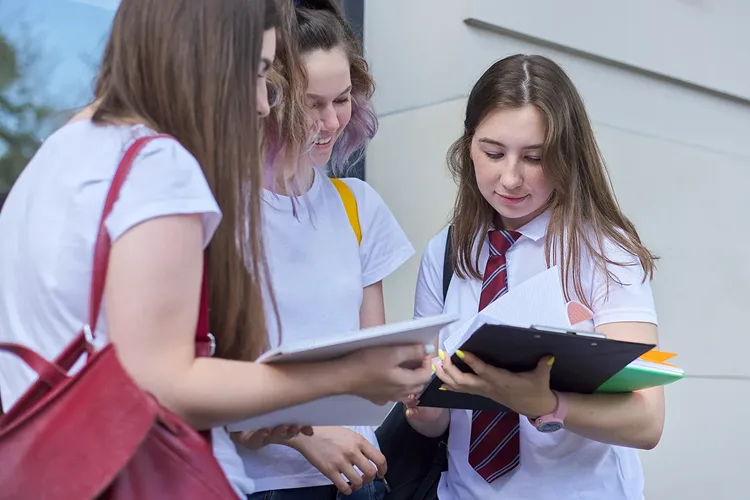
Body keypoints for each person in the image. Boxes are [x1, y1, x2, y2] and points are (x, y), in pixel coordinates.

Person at [0, 0, 432, 496]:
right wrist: (348, 374)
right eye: (257, 72)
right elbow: (165, 384)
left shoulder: (57, 154)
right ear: (204, 55)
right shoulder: (158, 164)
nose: (263, 104)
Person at [405, 54, 664, 500]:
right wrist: (417, 401)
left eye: (534, 157)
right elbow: (436, 422)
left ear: (566, 156)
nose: (509, 178)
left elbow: (647, 420)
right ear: (468, 146)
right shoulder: (446, 254)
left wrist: (546, 404)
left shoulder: (604, 251)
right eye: (492, 153)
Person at [224, 2, 412, 500]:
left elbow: (371, 368)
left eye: (343, 99)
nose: (331, 121)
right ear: (267, 95)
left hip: (359, 477)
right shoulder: (219, 210)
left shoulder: (358, 206)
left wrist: (415, 375)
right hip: (260, 484)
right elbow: (205, 371)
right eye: (312, 104)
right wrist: (309, 434)